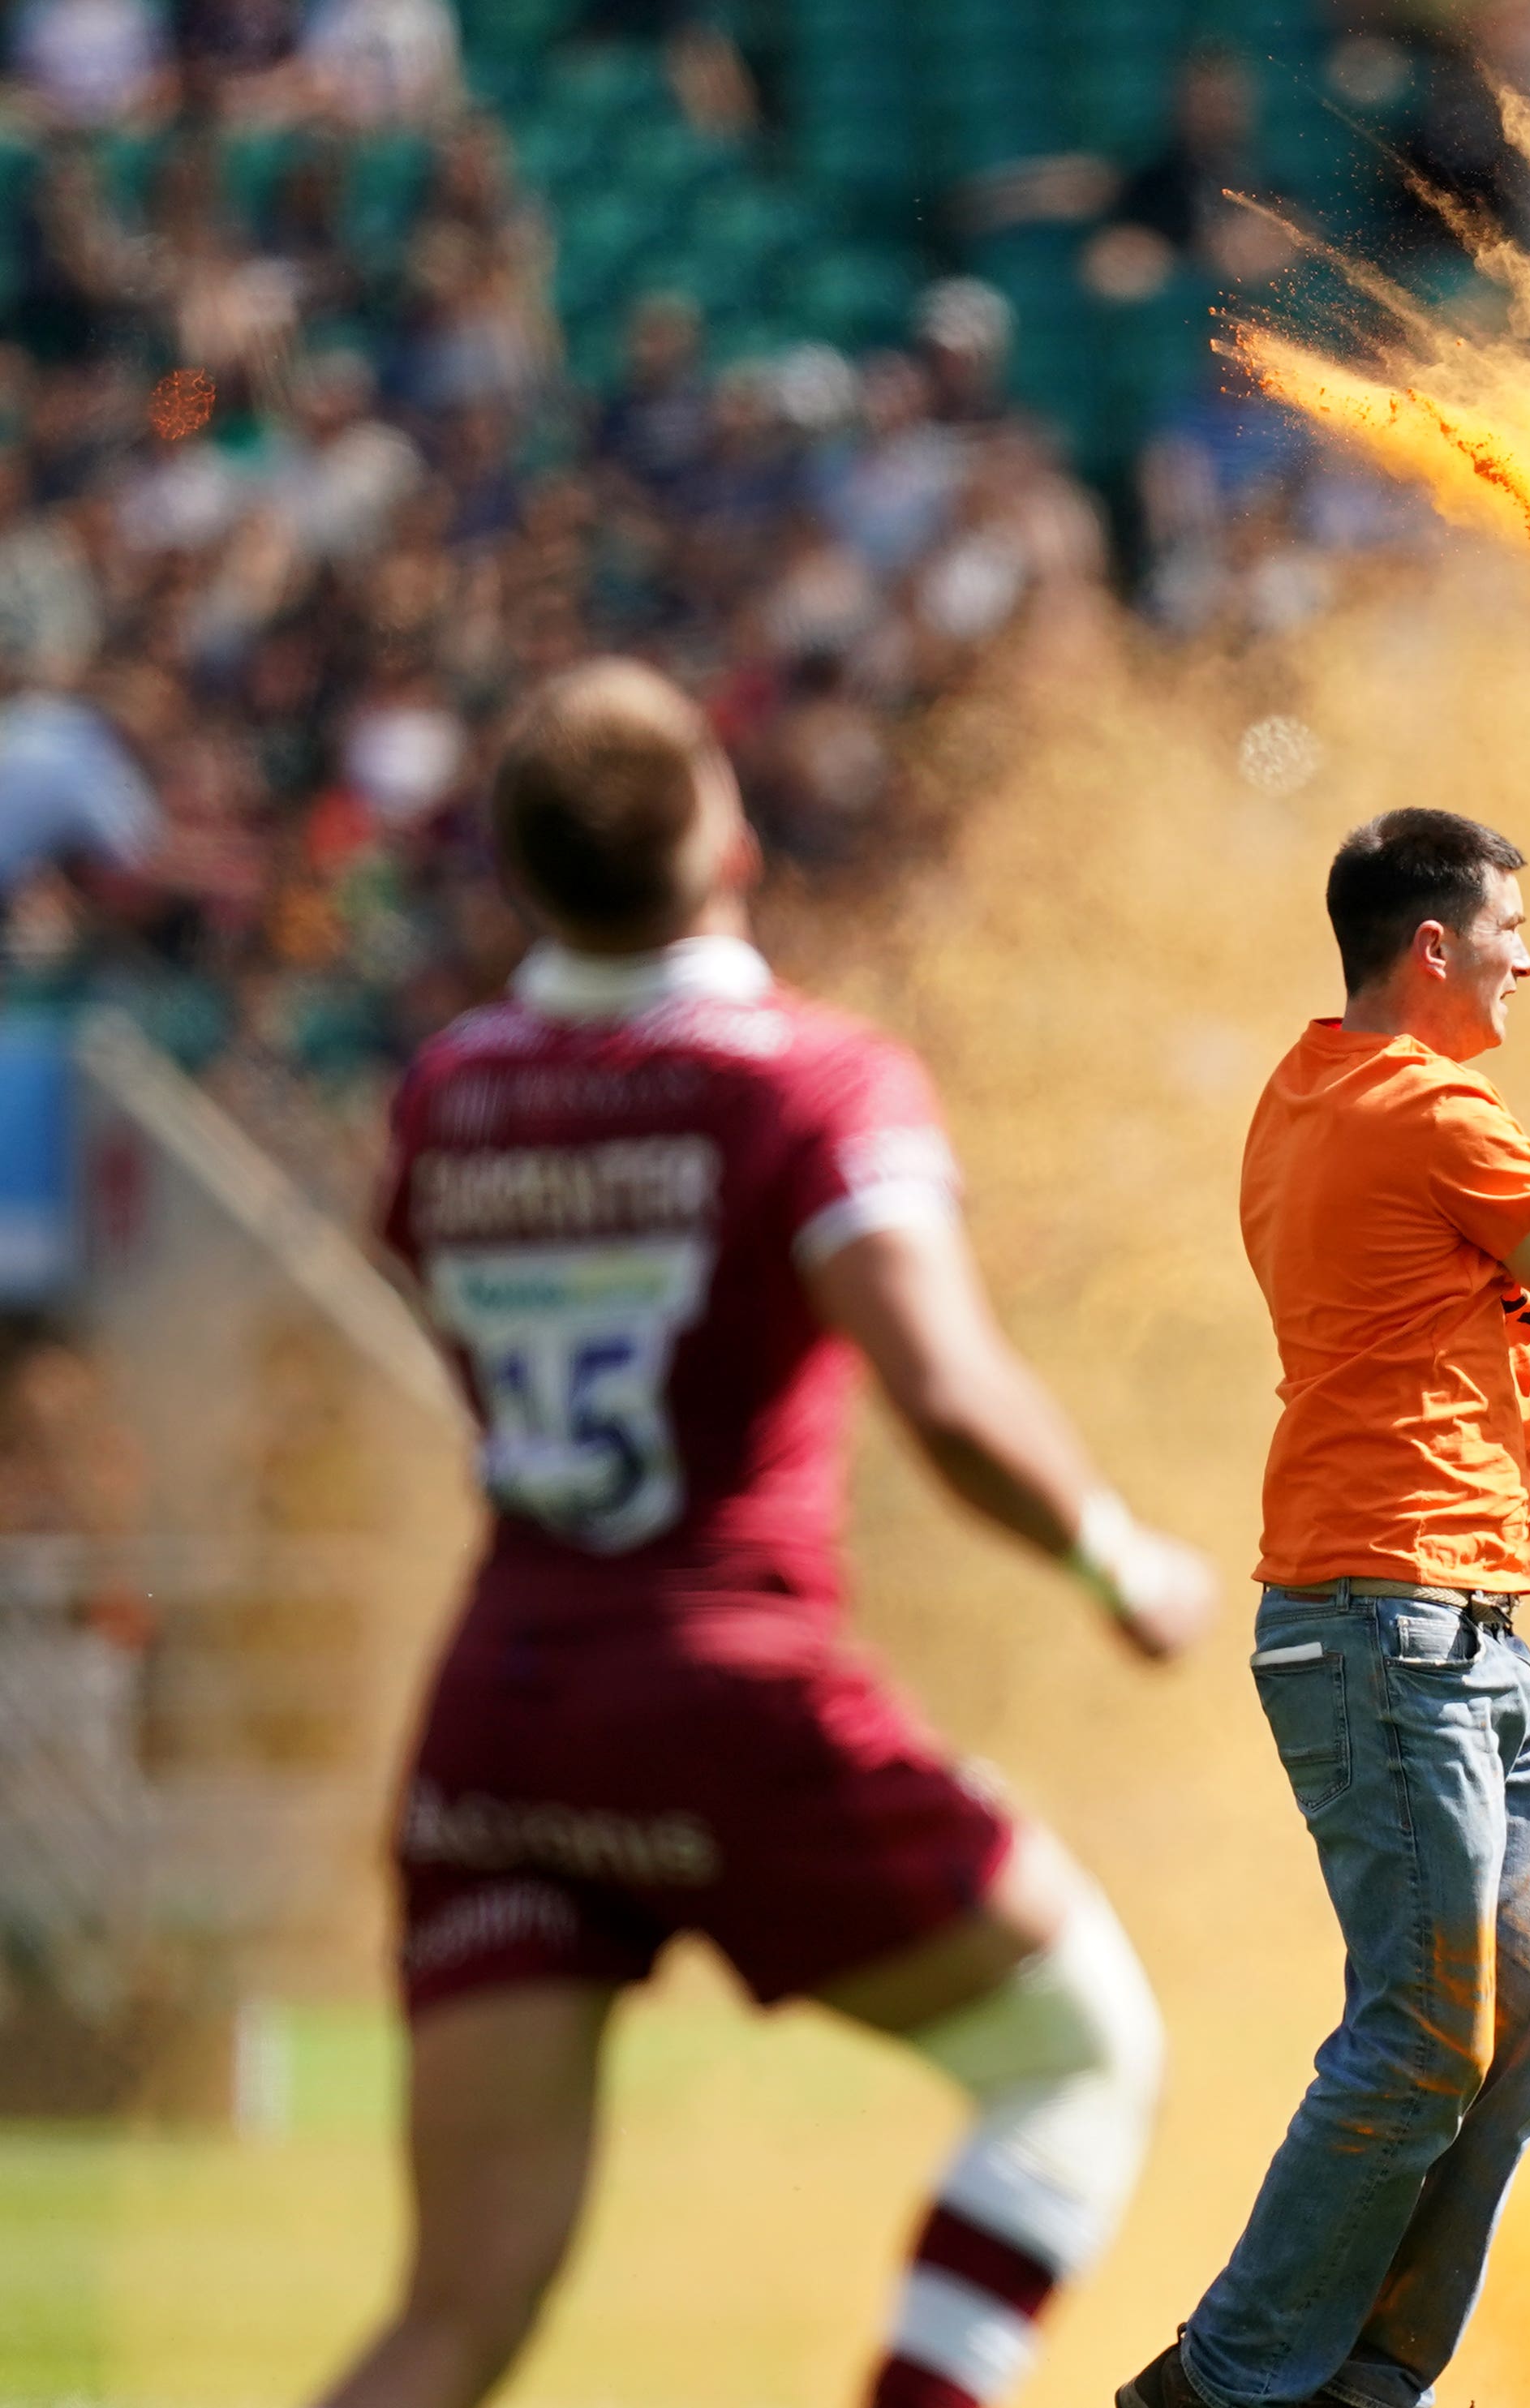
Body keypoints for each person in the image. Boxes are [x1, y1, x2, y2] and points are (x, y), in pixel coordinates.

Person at [316, 659, 1222, 2408]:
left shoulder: (447, 1092)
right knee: (1077, 2052)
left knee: (455, 2317)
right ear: (724, 834)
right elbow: (947, 1395)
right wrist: (1120, 1559)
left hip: (500, 1714)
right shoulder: (810, 1081)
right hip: (718, 1689)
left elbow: (435, 1287)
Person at [1121, 807, 1530, 2408]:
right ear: (1434, 946)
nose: (1527, 959)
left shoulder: (1312, 1087)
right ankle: (1218, 2389)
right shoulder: (1443, 1112)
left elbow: (1445, 1270)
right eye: (1508, 932)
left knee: (1523, 2023)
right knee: (1426, 2031)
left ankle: (1364, 2384)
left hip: (1436, 1625)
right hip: (1387, 1621)